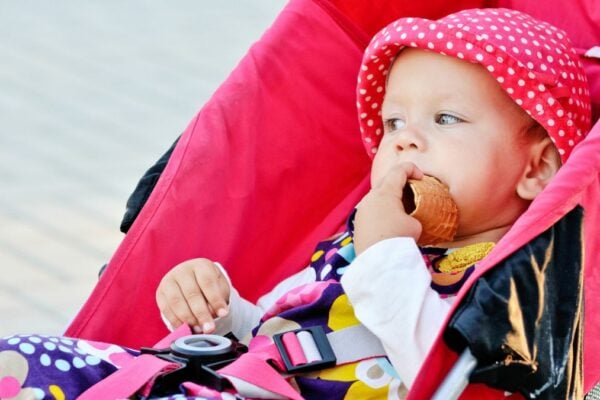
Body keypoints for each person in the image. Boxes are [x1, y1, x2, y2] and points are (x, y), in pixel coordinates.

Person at [0, 8, 591, 400]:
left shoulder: (509, 287)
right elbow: (288, 333)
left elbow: (441, 373)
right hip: (224, 377)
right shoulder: (359, 241)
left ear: (536, 168)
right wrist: (223, 311)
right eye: (393, 122)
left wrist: (385, 250)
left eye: (446, 119)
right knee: (17, 361)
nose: (406, 139)